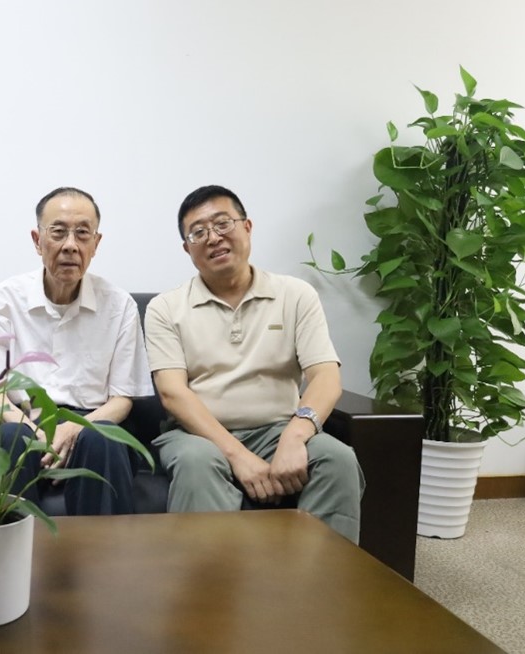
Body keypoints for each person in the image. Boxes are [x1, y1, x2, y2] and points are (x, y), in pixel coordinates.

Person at [144, 184, 364, 542]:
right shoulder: (165, 308)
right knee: (197, 464)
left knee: (336, 459)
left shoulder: (295, 295)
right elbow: (172, 393)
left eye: (223, 223)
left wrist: (296, 435)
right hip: (198, 436)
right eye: (198, 232)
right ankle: (210, 577)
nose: (213, 238)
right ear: (187, 249)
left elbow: (326, 376)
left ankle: (320, 574)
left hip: (279, 428)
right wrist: (238, 456)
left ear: (247, 227)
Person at [0, 187, 153, 515]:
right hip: (22, 421)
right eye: (58, 232)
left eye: (82, 233)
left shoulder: (119, 305)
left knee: (104, 438)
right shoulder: (2, 301)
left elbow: (122, 399)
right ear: (37, 240)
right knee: (10, 436)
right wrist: (38, 432)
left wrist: (73, 428)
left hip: (92, 423)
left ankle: (103, 548)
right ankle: (12, 545)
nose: (70, 245)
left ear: (96, 243)